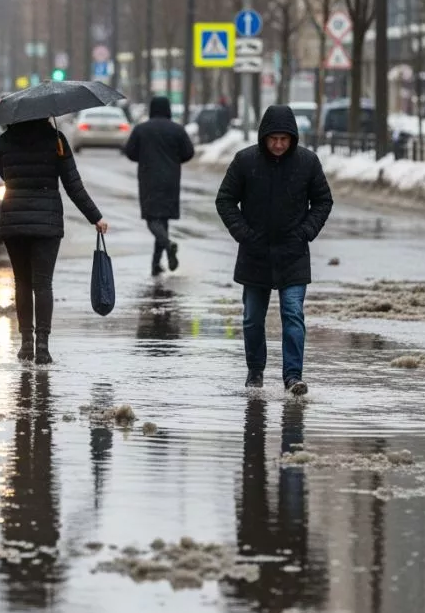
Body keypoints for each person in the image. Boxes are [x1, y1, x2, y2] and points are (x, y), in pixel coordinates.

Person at [215, 105, 333, 395]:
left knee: (293, 314)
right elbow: (225, 200)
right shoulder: (245, 162)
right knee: (252, 318)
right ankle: (255, 371)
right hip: (255, 253)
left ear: (293, 138)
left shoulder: (307, 162)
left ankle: (293, 376)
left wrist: (305, 232)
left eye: (284, 139)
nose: (279, 144)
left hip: (293, 253)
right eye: (273, 139)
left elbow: (323, 201)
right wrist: (244, 234)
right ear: (264, 137)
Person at [0, 117, 108, 365]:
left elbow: (3, 174)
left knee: (22, 282)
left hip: (13, 219)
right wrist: (95, 217)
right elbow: (72, 185)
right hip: (47, 223)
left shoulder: (5, 140)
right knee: (43, 284)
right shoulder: (56, 140)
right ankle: (42, 347)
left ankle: (25, 344)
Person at [123, 96, 195, 276]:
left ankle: (168, 244)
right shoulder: (177, 130)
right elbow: (189, 152)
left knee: (151, 219)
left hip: (149, 178)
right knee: (163, 220)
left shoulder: (141, 129)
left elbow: (130, 152)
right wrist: (173, 160)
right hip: (171, 179)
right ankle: (156, 264)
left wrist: (145, 156)